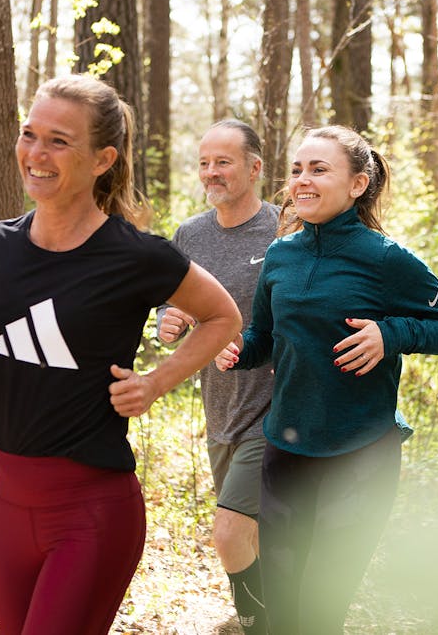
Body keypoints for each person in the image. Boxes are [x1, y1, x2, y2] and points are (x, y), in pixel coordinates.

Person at [0, 74, 241, 635]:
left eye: (58, 140)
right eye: (30, 135)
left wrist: (154, 382)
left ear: (103, 160)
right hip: (8, 506)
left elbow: (223, 317)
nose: (36, 154)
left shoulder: (134, 256)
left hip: (90, 512)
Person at [215, 125, 438, 634]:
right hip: (286, 448)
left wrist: (391, 333)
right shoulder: (281, 254)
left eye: (319, 169)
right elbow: (265, 337)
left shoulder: (385, 258)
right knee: (283, 606)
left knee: (320, 611)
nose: (302, 181)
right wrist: (237, 350)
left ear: (358, 184)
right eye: (296, 170)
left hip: (361, 453)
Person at [155, 120, 279, 633]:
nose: (211, 172)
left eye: (223, 162)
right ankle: (274, 613)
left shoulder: (283, 228)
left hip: (275, 409)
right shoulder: (190, 235)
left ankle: (255, 622)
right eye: (205, 162)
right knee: (255, 534)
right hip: (221, 408)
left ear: (254, 167)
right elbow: (172, 311)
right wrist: (168, 320)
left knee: (229, 533)